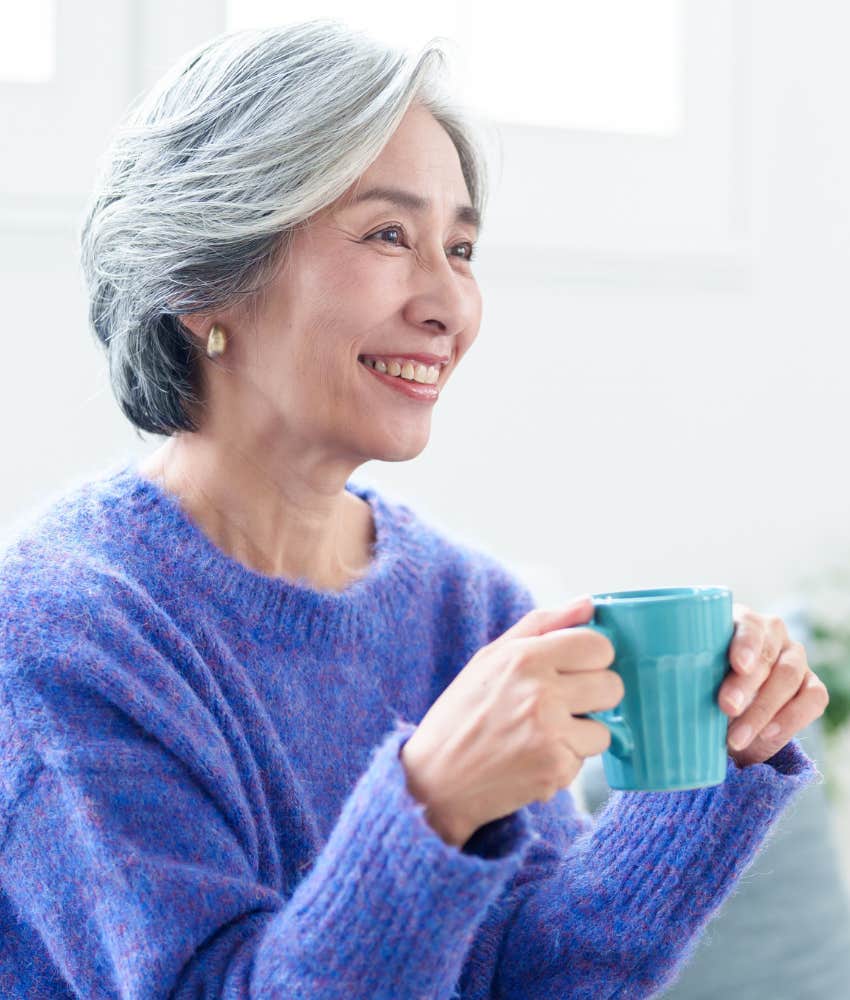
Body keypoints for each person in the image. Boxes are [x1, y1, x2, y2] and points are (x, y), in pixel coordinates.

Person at [0, 18, 828, 999]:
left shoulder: (466, 602)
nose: (451, 305)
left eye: (462, 245)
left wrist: (709, 771)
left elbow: (537, 979)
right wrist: (431, 800)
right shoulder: (57, 637)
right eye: (390, 234)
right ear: (204, 281)